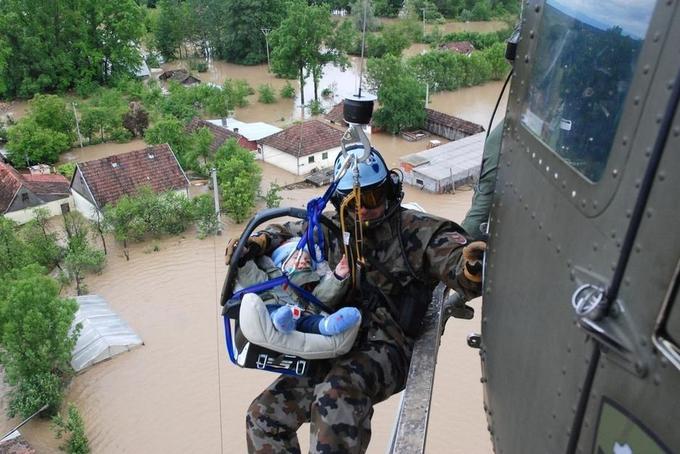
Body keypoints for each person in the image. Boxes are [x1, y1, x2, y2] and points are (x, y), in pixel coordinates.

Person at [226, 147, 485, 453]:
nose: (362, 211)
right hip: (333, 342)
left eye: (371, 200)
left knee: (334, 398)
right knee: (263, 416)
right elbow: (287, 230)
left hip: (388, 344)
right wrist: (258, 243)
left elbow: (456, 261)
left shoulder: (416, 232)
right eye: (352, 203)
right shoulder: (332, 228)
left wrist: (470, 267)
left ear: (388, 192)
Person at [236, 238, 360, 336]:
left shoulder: (309, 287)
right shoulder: (272, 278)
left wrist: (337, 276)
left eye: (307, 261)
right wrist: (242, 259)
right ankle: (280, 321)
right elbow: (253, 277)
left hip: (302, 315)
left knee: (312, 321)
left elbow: (321, 298)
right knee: (270, 310)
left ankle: (328, 325)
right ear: (281, 261)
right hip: (274, 308)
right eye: (297, 257)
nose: (303, 262)